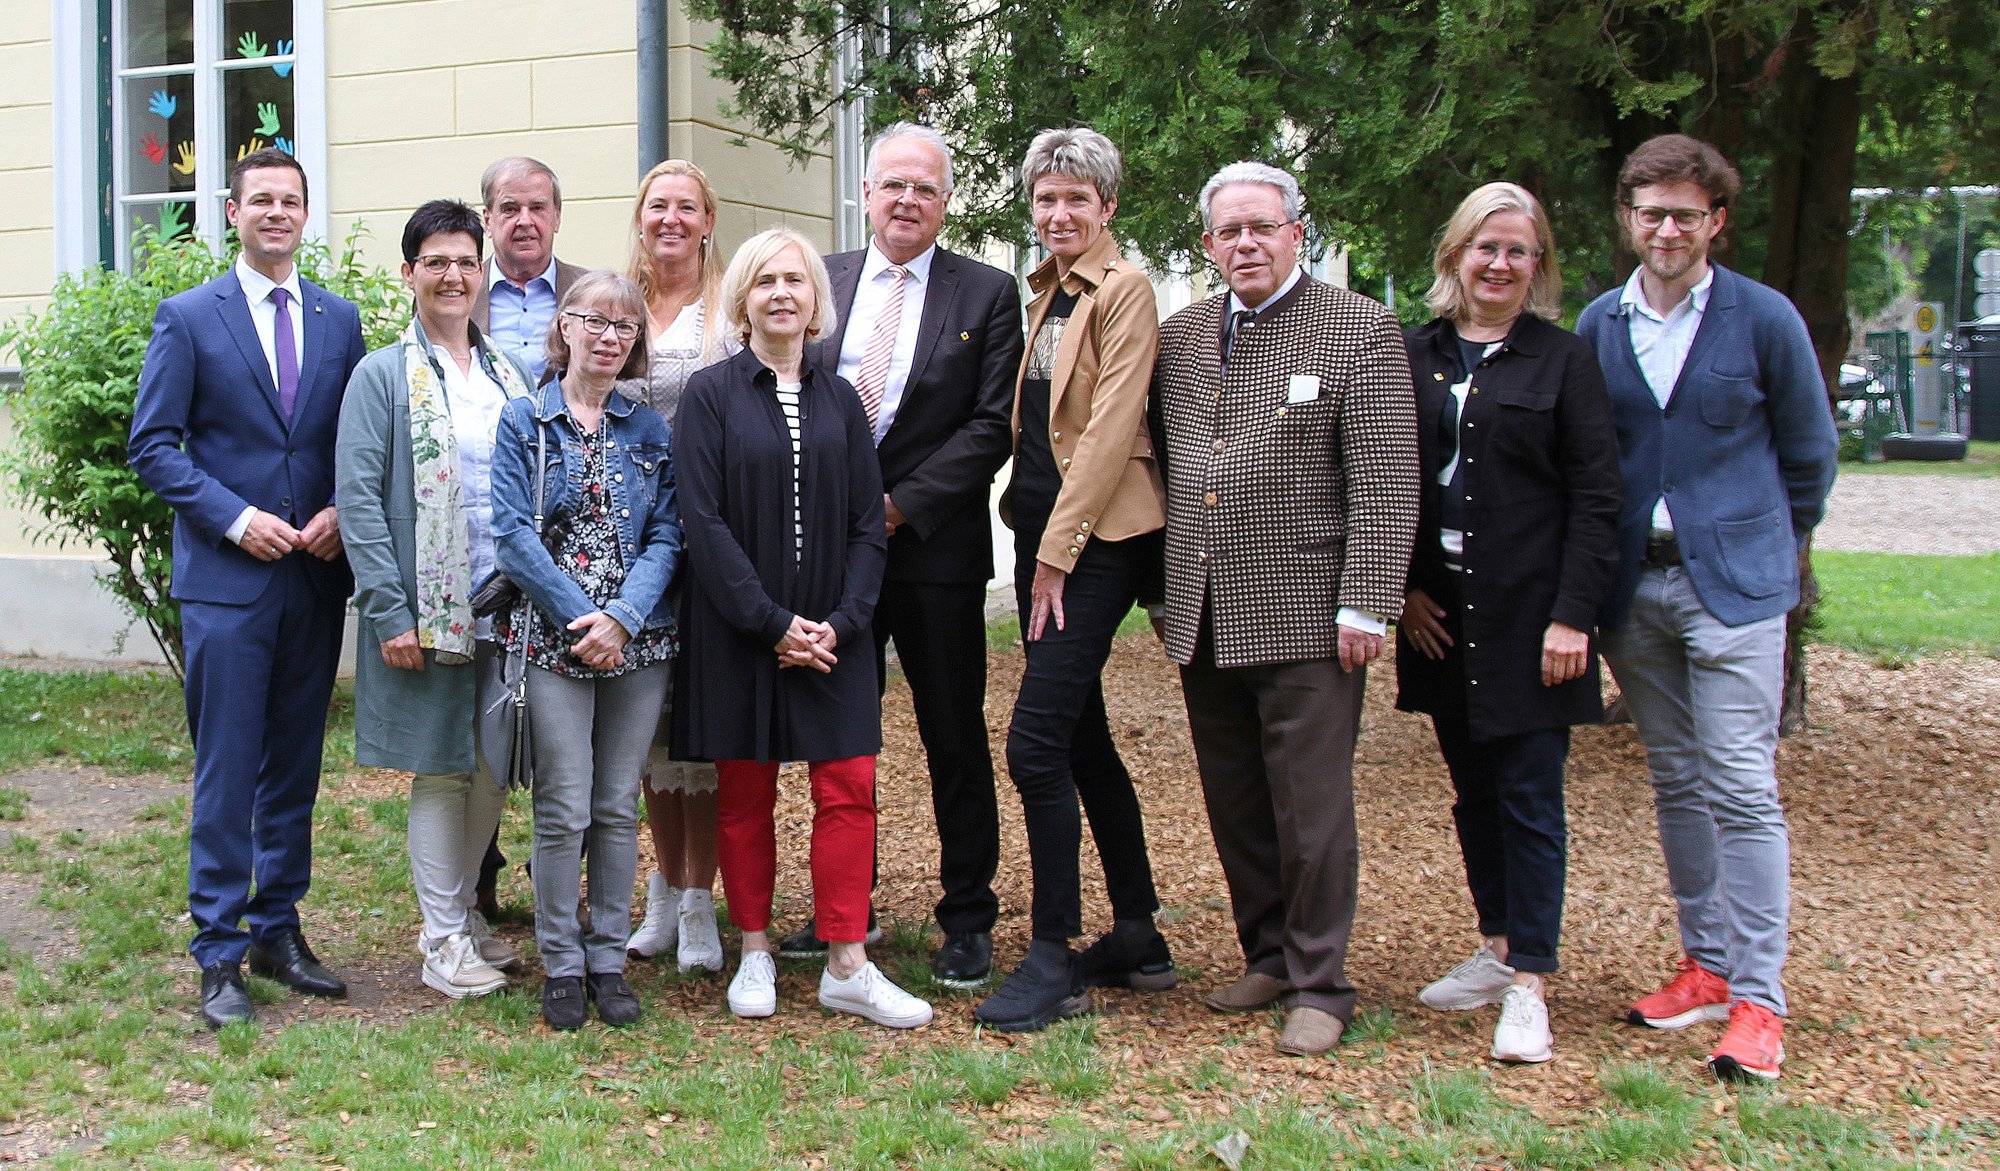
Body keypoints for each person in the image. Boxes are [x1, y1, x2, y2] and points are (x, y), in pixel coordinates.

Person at [1576, 134, 1837, 1083]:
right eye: (1652, 212)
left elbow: (1809, 456)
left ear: (1715, 221)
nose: (1669, 228)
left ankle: (1761, 998)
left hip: (1734, 586)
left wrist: (1761, 538)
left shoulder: (1764, 320)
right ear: (1629, 220)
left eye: (1687, 213)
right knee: (1678, 779)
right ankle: (1708, 963)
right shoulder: (1603, 324)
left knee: (1740, 782)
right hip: (1633, 589)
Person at [1151, 161, 1421, 1057]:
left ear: (1296, 233)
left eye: (1262, 227)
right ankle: (1265, 951)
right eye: (1228, 232)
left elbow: (1385, 478)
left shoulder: (1360, 328)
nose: (1246, 244)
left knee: (1310, 807)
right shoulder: (1183, 336)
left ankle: (1320, 980)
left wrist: (1370, 604)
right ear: (1207, 245)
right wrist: (1161, 593)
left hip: (1311, 612)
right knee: (1234, 800)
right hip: (1205, 607)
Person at [777, 123, 1022, 987]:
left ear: (944, 201)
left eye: (924, 187)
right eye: (893, 186)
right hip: (834, 561)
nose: (907, 200)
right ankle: (849, 905)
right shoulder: (826, 280)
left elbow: (992, 424)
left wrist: (897, 505)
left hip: (931, 552)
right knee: (841, 735)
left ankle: (968, 915)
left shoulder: (987, 293)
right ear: (868, 194)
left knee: (951, 732)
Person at [128, 148, 368, 1028]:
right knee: (228, 766)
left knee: (294, 767)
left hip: (313, 577)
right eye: (260, 199)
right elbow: (153, 447)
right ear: (232, 212)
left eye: (290, 200)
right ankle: (218, 949)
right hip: (228, 583)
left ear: (306, 214)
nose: (276, 212)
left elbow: (359, 437)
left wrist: (345, 507)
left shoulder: (340, 322)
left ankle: (278, 925)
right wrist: (235, 518)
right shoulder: (190, 318)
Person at [673, 228, 930, 1030]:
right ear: (743, 300)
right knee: (744, 794)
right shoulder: (710, 394)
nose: (782, 293)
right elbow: (703, 522)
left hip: (833, 631)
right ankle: (754, 949)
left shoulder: (840, 397)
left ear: (817, 300)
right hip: (741, 628)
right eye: (765, 282)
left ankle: (847, 960)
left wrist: (846, 621)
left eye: (797, 280)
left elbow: (865, 519)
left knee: (849, 786)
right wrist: (770, 622)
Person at [1395, 182, 1622, 1063]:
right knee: (1473, 789)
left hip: (1533, 616)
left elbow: (1599, 498)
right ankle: (1494, 943)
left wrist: (1575, 617)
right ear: (1455, 255)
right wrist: (1402, 588)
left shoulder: (1564, 362)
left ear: (1538, 266)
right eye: (1485, 247)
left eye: (1518, 251)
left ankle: (1531, 981)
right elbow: (1386, 479)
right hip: (1441, 616)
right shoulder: (1414, 354)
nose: (1499, 264)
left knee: (1530, 795)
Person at [974, 128, 1172, 1035]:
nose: (1059, 214)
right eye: (1047, 199)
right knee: (1083, 740)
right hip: (1042, 535)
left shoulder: (1124, 291)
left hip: (1098, 543)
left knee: (1034, 746)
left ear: (1108, 208)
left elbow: (1110, 431)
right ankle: (1138, 934)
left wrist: (1057, 554)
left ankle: (1052, 954)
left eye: (1077, 201)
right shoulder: (1047, 293)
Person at [336, 200, 536, 1001]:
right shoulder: (380, 375)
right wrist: (390, 610)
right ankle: (443, 938)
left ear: (481, 272)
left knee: (494, 765)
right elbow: (357, 500)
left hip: (505, 605)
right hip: (427, 608)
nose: (452, 276)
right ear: (409, 272)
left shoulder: (508, 375)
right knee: (442, 769)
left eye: (465, 261)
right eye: (436, 261)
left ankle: (458, 913)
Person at [489, 272, 682, 1030]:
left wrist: (625, 617)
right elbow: (513, 538)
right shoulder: (524, 422)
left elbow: (670, 533)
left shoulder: (649, 429)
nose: (609, 336)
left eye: (625, 327)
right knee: (563, 807)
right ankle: (561, 964)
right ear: (563, 327)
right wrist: (584, 620)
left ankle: (609, 957)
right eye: (594, 321)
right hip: (554, 639)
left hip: (641, 641)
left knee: (614, 805)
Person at [615, 160, 734, 975]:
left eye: (684, 207)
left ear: (706, 221)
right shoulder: (618, 304)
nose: (670, 219)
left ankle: (702, 901)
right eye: (657, 206)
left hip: (711, 531)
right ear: (640, 217)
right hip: (629, 537)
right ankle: (662, 888)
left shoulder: (725, 313)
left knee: (707, 725)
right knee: (652, 726)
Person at [471, 155, 593, 915]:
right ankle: (476, 884)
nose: (524, 220)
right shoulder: (454, 288)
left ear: (557, 214)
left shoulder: (593, 295)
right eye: (508, 207)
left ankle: (565, 890)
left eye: (537, 206)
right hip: (482, 539)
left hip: (577, 542)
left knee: (570, 726)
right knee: (482, 718)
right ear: (487, 218)